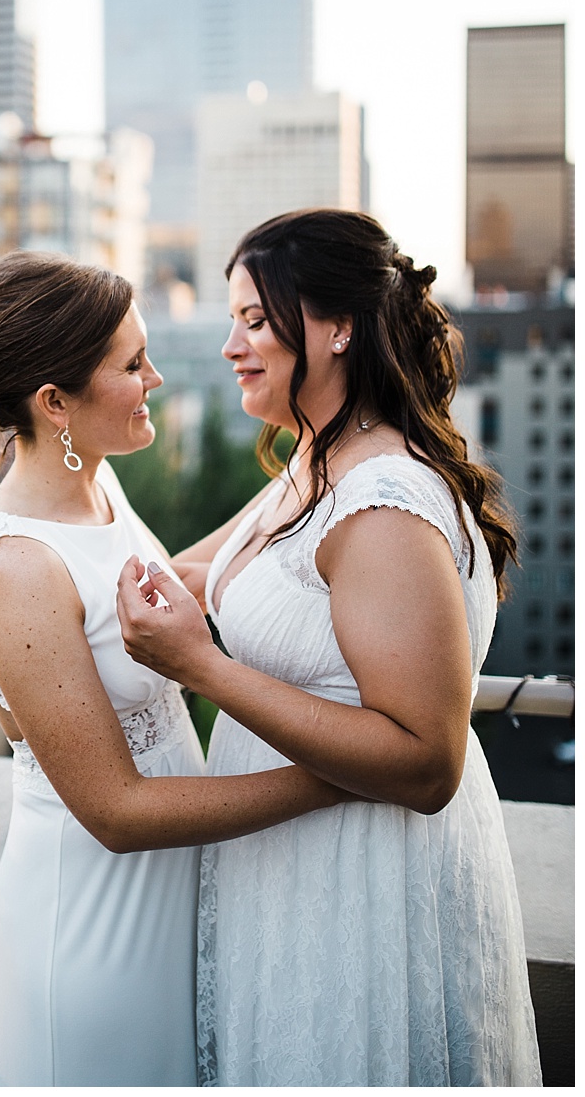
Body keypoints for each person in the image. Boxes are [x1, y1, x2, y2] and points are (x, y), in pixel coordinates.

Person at [117, 208, 543, 1087]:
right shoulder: (310, 463)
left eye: (256, 321)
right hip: (286, 869)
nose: (234, 345)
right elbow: (187, 579)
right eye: (234, 319)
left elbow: (429, 764)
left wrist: (203, 668)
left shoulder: (382, 504)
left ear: (340, 328)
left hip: (360, 884)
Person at [0, 251, 348, 1088]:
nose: (157, 378)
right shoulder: (16, 567)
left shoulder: (99, 485)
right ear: (56, 405)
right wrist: (339, 774)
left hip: (171, 906)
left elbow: (194, 571)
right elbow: (117, 811)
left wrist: (327, 461)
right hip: (93, 930)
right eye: (132, 365)